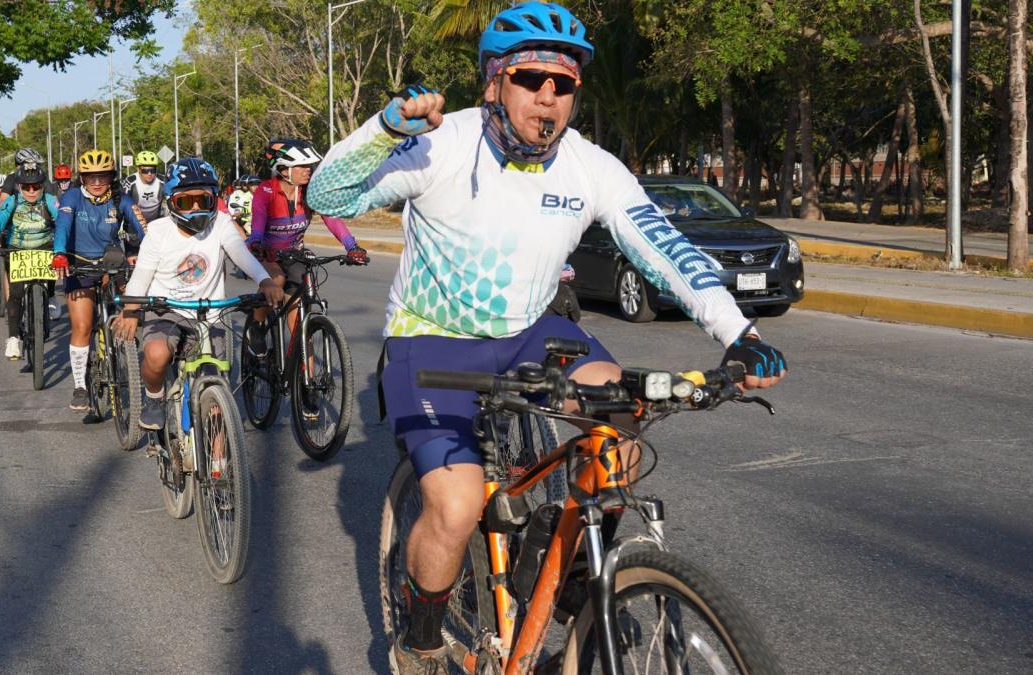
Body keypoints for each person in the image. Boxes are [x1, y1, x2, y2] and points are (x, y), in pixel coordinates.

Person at [306, 3, 788, 671]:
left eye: (563, 84)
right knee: (458, 500)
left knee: (621, 426)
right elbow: (326, 197)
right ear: (494, 82)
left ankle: (569, 571)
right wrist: (384, 129)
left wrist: (738, 331)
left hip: (533, 331)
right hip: (433, 339)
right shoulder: (441, 145)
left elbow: (663, 248)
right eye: (532, 78)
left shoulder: (589, 166)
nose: (548, 97)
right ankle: (418, 639)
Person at [113, 158, 284, 440]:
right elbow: (141, 277)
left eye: (202, 200)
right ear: (170, 203)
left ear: (213, 200)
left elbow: (241, 255)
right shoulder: (158, 232)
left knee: (217, 396)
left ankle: (218, 465)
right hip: (166, 310)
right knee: (156, 355)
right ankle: (154, 397)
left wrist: (264, 280)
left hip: (210, 313)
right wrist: (131, 311)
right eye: (185, 202)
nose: (195, 209)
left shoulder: (221, 225)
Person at [244, 139, 368, 356]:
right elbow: (258, 225)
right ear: (283, 169)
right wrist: (256, 242)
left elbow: (331, 219)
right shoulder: (266, 191)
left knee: (300, 330)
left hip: (293, 254)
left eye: (309, 166)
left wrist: (352, 246)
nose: (307, 171)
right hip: (265, 251)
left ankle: (305, 385)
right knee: (277, 280)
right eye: (301, 166)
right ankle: (256, 325)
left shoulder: (310, 192)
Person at [51, 149, 142, 412]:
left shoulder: (121, 199)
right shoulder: (72, 196)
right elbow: (63, 225)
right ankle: (80, 386)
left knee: (132, 306)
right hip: (78, 266)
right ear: (82, 178)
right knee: (82, 325)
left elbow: (143, 229)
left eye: (103, 176)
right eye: (91, 177)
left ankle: (124, 353)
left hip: (110, 266)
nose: (97, 182)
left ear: (112, 176)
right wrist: (59, 253)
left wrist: (151, 256)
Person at [0, 166, 59, 360]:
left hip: (44, 245)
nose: (32, 191)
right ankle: (12, 338)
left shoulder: (50, 201)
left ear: (42, 186)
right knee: (16, 293)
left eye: (36, 187)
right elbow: (0, 221)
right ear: (20, 187)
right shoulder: (12, 201)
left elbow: (62, 220)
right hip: (17, 249)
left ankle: (50, 295)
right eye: (27, 187)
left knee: (53, 259)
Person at [122, 150, 166, 230]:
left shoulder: (162, 181)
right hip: (134, 223)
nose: (149, 174)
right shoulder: (130, 182)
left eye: (153, 170)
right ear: (138, 169)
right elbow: (122, 204)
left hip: (155, 222)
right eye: (145, 171)